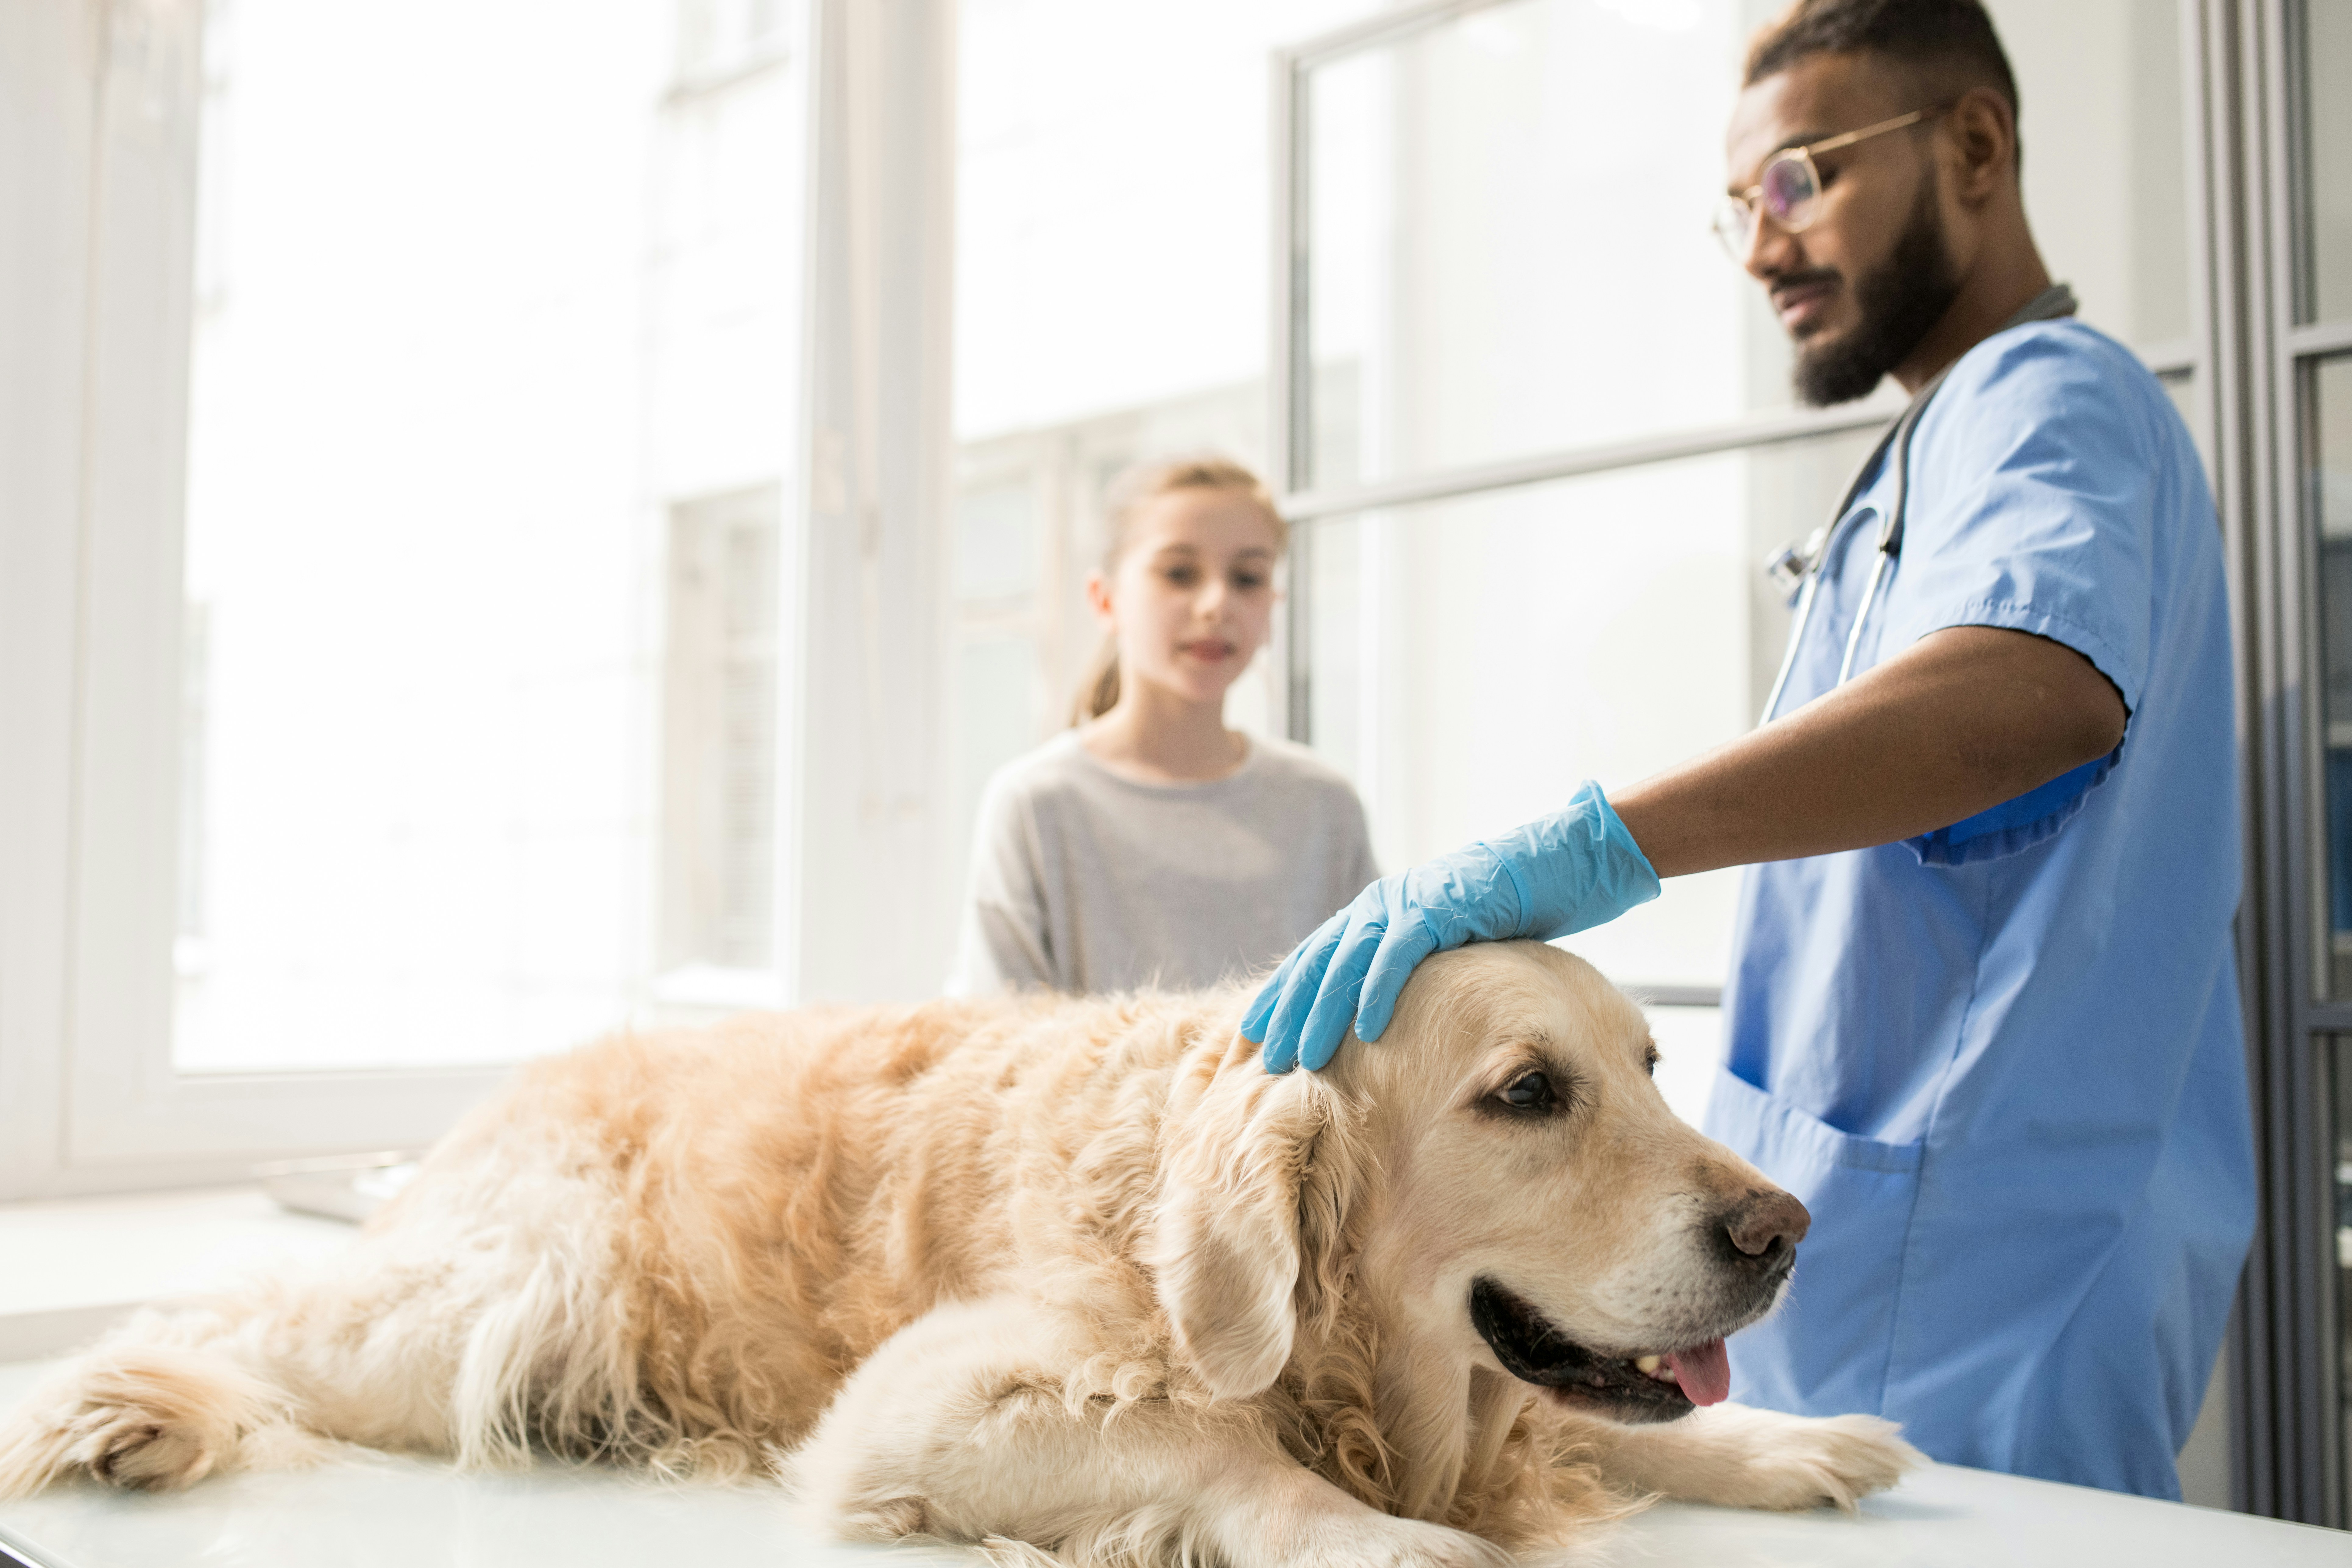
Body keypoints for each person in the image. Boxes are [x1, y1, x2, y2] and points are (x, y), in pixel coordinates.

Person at [1242, 0, 2251, 1503]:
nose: (1763, 245)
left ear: (1974, 146)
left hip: (1979, 1267)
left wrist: (1596, 846)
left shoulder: (2049, 398)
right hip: (1890, 1250)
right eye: (1738, 211)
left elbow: (2035, 690)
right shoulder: (1943, 443)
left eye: (1799, 179)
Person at [947, 456, 1379, 997]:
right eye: (1179, 574)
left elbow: (1374, 1018)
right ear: (1106, 600)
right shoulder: (1035, 805)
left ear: (1273, 605)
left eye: (1247, 578)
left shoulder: (1325, 807)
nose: (1218, 603)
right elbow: (998, 1035)